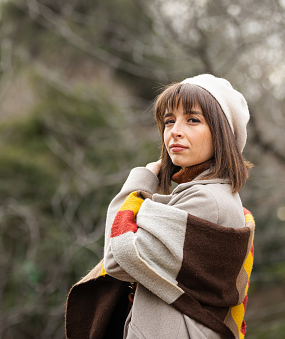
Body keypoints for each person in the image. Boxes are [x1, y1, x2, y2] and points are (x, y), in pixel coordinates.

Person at [66, 74, 255, 339]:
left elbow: (118, 258)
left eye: (193, 120)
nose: (175, 131)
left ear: (223, 133)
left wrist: (142, 179)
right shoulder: (208, 195)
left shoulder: (206, 201)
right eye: (169, 120)